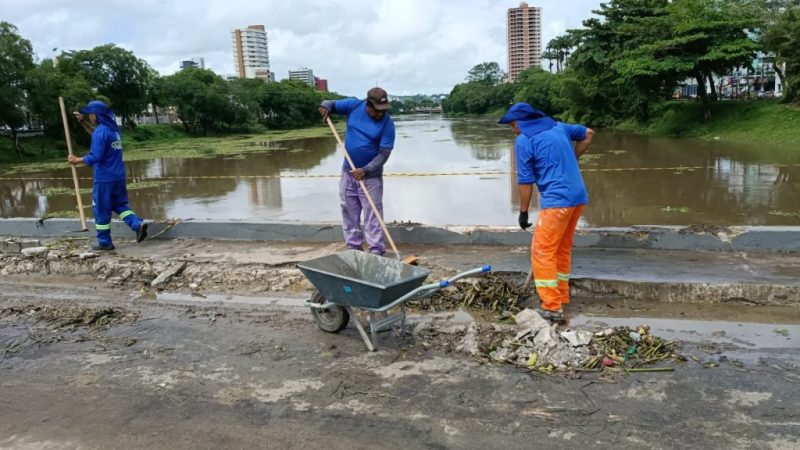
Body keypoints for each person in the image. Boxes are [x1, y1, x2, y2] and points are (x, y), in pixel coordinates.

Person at [499, 102, 594, 321]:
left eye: (513, 124)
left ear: (522, 121)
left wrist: (523, 212)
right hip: (578, 197)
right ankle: (561, 296)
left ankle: (552, 306)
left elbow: (525, 181)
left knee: (542, 251)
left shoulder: (525, 140)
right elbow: (588, 134)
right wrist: (573, 158)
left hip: (557, 202)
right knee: (560, 248)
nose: (513, 129)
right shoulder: (559, 127)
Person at [319, 87, 395, 256]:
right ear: (368, 104)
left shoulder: (387, 124)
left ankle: (376, 251)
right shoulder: (353, 105)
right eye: (377, 111)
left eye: (383, 110)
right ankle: (354, 249)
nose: (381, 114)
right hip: (348, 173)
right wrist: (325, 107)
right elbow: (329, 103)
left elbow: (384, 154)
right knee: (349, 212)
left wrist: (366, 170)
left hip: (371, 177)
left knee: (372, 214)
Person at [67, 100, 148, 251]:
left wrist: (76, 160)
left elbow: (95, 156)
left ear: (96, 116)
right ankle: (137, 224)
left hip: (104, 178)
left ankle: (104, 242)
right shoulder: (113, 131)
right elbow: (96, 135)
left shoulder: (101, 132)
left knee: (101, 209)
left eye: (90, 114)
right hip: (118, 176)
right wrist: (83, 123)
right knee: (119, 205)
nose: (89, 116)